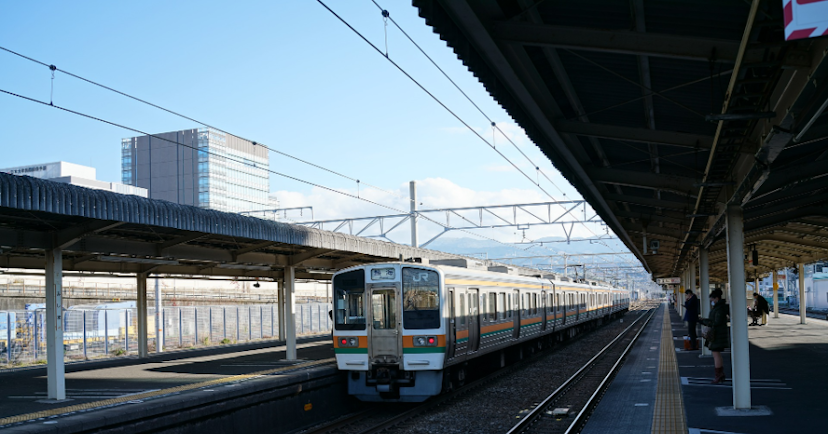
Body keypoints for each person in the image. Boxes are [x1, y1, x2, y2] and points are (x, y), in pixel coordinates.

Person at [700, 289, 729, 384]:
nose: (711, 301)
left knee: (716, 354)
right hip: (717, 334)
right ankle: (720, 374)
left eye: (712, 299)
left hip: (717, 334)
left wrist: (704, 321)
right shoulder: (719, 307)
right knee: (716, 354)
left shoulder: (719, 308)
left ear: (716, 298)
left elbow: (716, 322)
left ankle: (719, 375)